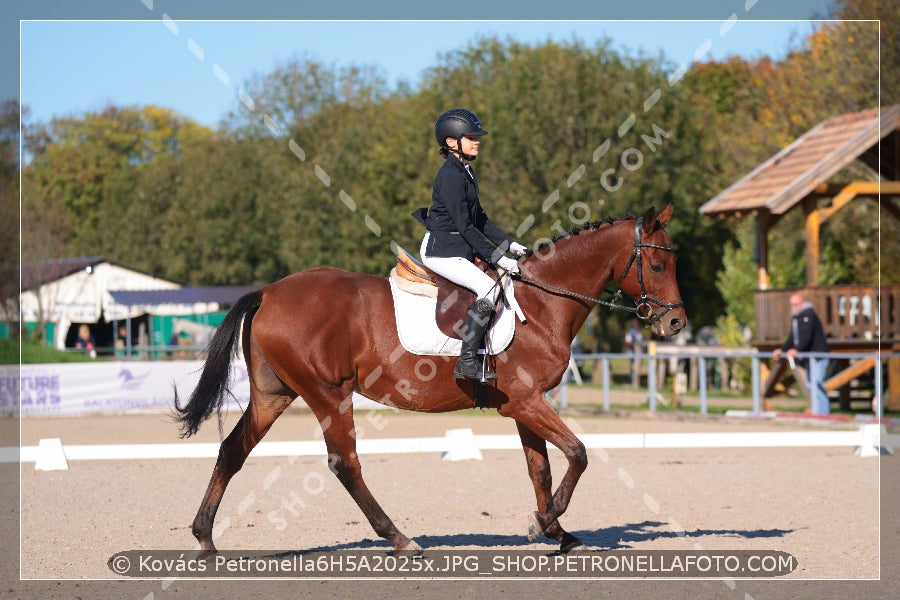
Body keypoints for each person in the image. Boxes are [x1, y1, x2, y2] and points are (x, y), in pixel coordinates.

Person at [412, 108, 527, 381]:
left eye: (477, 137)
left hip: (457, 247)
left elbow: (479, 218)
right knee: (488, 287)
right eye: (471, 137)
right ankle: (466, 363)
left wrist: (509, 244)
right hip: (441, 252)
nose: (477, 141)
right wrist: (498, 259)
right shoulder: (451, 177)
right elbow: (464, 227)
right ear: (452, 142)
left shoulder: (465, 170)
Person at [773, 292, 831, 415]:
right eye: (791, 304)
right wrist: (782, 350)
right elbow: (792, 337)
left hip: (818, 356)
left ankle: (823, 413)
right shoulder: (797, 316)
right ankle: (817, 411)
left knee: (816, 383)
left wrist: (797, 349)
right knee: (811, 385)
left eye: (796, 304)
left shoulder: (808, 314)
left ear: (802, 303)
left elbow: (806, 337)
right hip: (809, 357)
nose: (793, 307)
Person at [624, 318, 644, 388]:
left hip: (639, 353)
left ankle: (635, 383)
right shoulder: (630, 332)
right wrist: (633, 349)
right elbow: (628, 342)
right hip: (633, 353)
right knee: (633, 368)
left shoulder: (638, 332)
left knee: (637, 368)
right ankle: (632, 382)